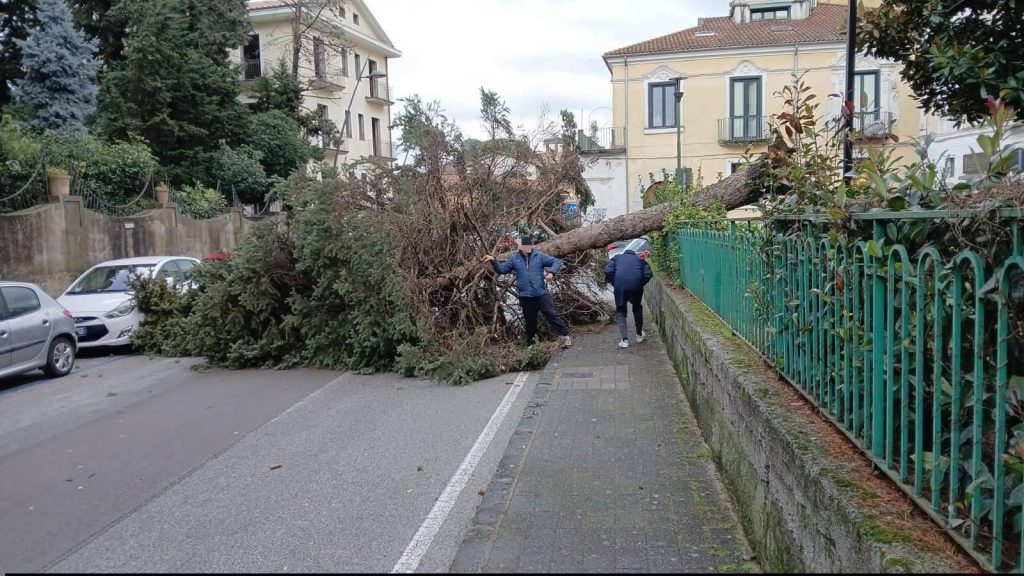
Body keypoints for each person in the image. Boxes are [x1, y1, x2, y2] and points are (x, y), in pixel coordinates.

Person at [482, 235, 572, 348]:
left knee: (552, 315)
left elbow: (556, 262)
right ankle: (531, 345)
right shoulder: (515, 258)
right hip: (525, 296)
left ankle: (566, 336)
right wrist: (493, 260)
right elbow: (502, 270)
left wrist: (551, 273)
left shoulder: (539, 256)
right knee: (530, 322)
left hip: (540, 294)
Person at [604, 247, 653, 348]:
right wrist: (640, 283)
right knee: (637, 307)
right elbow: (648, 274)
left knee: (621, 310)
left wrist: (615, 282)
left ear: (624, 253)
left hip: (620, 287)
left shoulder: (616, 258)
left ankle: (625, 340)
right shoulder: (640, 260)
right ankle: (639, 335)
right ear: (634, 254)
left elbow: (608, 271)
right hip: (636, 286)